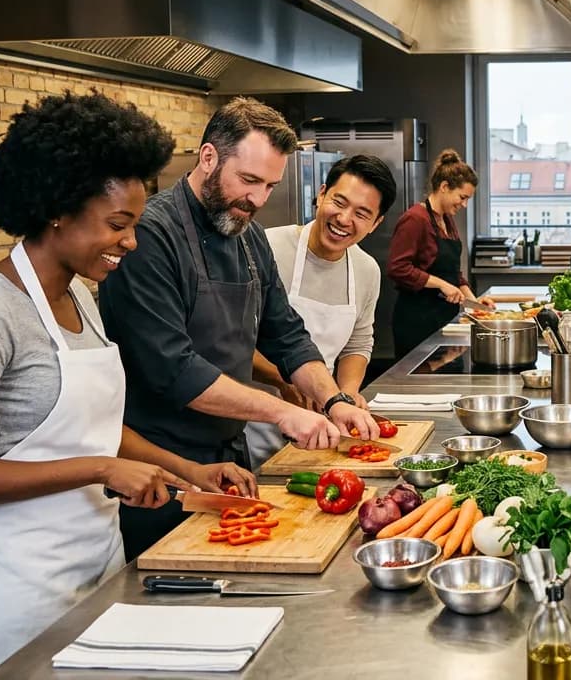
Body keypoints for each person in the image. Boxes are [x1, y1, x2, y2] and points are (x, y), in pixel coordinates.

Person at [0, 92, 255, 680]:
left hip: (96, 563)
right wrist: (99, 470)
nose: (131, 242)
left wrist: (187, 471)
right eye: (118, 225)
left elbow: (93, 430)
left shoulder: (78, 294)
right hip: (16, 592)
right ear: (58, 210)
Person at [98, 97, 377, 559]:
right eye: (249, 181)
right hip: (156, 469)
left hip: (227, 461)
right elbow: (173, 368)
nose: (259, 199)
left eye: (270, 185)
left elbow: (286, 334)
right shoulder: (151, 236)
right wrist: (281, 412)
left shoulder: (247, 235)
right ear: (209, 157)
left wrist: (334, 399)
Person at [246, 155, 396, 466]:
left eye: (361, 213)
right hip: (252, 418)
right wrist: (284, 380)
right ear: (322, 194)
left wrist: (347, 392)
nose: (344, 219)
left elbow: (359, 342)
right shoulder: (266, 247)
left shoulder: (366, 270)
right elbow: (233, 340)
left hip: (321, 420)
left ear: (376, 223)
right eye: (339, 202)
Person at [388, 149, 496, 356]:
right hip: (417, 322)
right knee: (420, 382)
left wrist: (475, 303)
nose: (464, 205)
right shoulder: (415, 219)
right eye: (462, 197)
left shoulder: (447, 220)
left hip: (444, 320)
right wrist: (441, 285)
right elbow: (397, 268)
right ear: (445, 187)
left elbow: (453, 274)